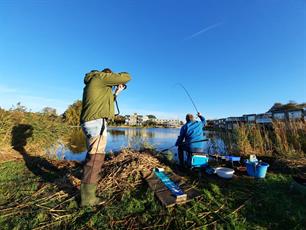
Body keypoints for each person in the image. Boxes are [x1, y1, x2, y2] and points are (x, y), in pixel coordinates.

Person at [79, 68, 131, 207]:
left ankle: (88, 184)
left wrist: (116, 93)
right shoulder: (100, 78)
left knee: (92, 155)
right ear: (108, 75)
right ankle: (88, 199)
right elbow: (127, 76)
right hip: (96, 122)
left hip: (91, 121)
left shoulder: (94, 83)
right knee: (96, 157)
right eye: (111, 81)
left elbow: (106, 104)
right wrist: (117, 79)